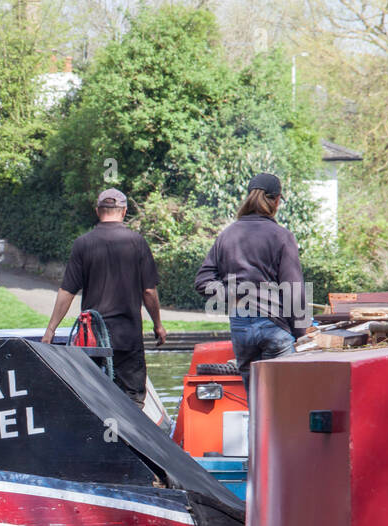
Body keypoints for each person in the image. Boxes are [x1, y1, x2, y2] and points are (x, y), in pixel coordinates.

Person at [42, 188, 166, 405]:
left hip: (94, 338)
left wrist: (51, 329)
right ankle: (128, 438)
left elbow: (68, 291)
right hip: (128, 336)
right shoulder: (137, 243)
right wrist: (158, 325)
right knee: (133, 399)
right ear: (124, 211)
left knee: (96, 399)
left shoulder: (83, 243)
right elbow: (148, 291)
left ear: (98, 211)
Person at [193, 172, 309, 398]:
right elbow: (293, 289)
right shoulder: (282, 236)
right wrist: (302, 333)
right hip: (274, 325)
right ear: (276, 201)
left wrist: (235, 290)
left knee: (255, 405)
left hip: (241, 327)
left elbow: (203, 283)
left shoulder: (227, 235)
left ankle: (256, 434)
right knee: (282, 405)